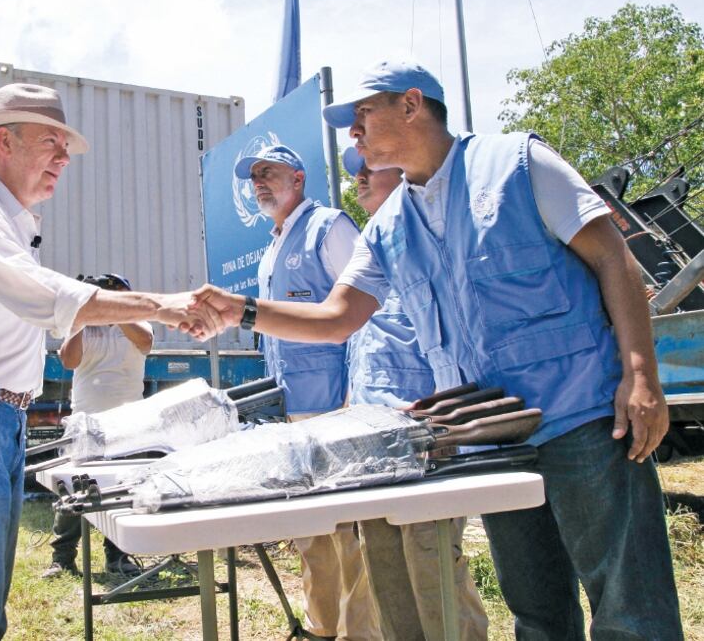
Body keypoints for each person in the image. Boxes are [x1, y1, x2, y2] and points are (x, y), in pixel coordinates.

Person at [193, 59, 682, 639]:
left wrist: (642, 378)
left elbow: (614, 260)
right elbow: (336, 317)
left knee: (631, 608)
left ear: (411, 104)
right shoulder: (389, 223)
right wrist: (242, 310)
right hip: (497, 436)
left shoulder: (519, 164)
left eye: (362, 114)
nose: (353, 132)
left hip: (588, 420)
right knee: (537, 612)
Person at [0, 82, 216, 640]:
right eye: (51, 141)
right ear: (4, 142)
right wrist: (161, 305)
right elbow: (42, 294)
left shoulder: (13, 224)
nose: (65, 158)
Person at [342, 146, 488, 640]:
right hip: (370, 442)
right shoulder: (372, 249)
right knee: (384, 561)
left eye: (369, 168)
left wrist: (446, 422)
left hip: (424, 436)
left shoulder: (429, 241)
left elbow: (455, 339)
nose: (359, 178)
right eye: (356, 172)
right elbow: (364, 351)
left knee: (431, 561)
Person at [234, 144, 376, 641]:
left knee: (350, 531)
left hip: (337, 406)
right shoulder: (273, 246)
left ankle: (360, 632)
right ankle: (322, 626)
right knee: (310, 528)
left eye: (269, 173)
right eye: (254, 178)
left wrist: (356, 398)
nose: (259, 184)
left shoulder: (329, 226)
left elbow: (366, 312)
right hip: (293, 410)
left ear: (298, 178)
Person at [43, 273, 153, 579]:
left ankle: (119, 556)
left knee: (123, 489)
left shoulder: (137, 323)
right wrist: (82, 315)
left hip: (127, 422)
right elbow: (68, 360)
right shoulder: (83, 327)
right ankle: (62, 557)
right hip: (86, 422)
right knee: (72, 491)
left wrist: (114, 308)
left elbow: (146, 342)